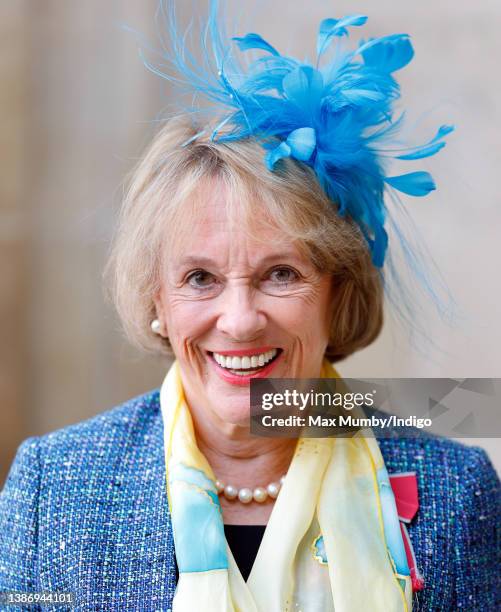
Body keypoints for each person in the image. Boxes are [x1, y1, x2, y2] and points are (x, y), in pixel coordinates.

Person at [1, 5, 500, 611]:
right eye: (199, 278)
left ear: (336, 293)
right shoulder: (52, 486)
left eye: (281, 274)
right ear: (158, 298)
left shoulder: (459, 489)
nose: (239, 320)